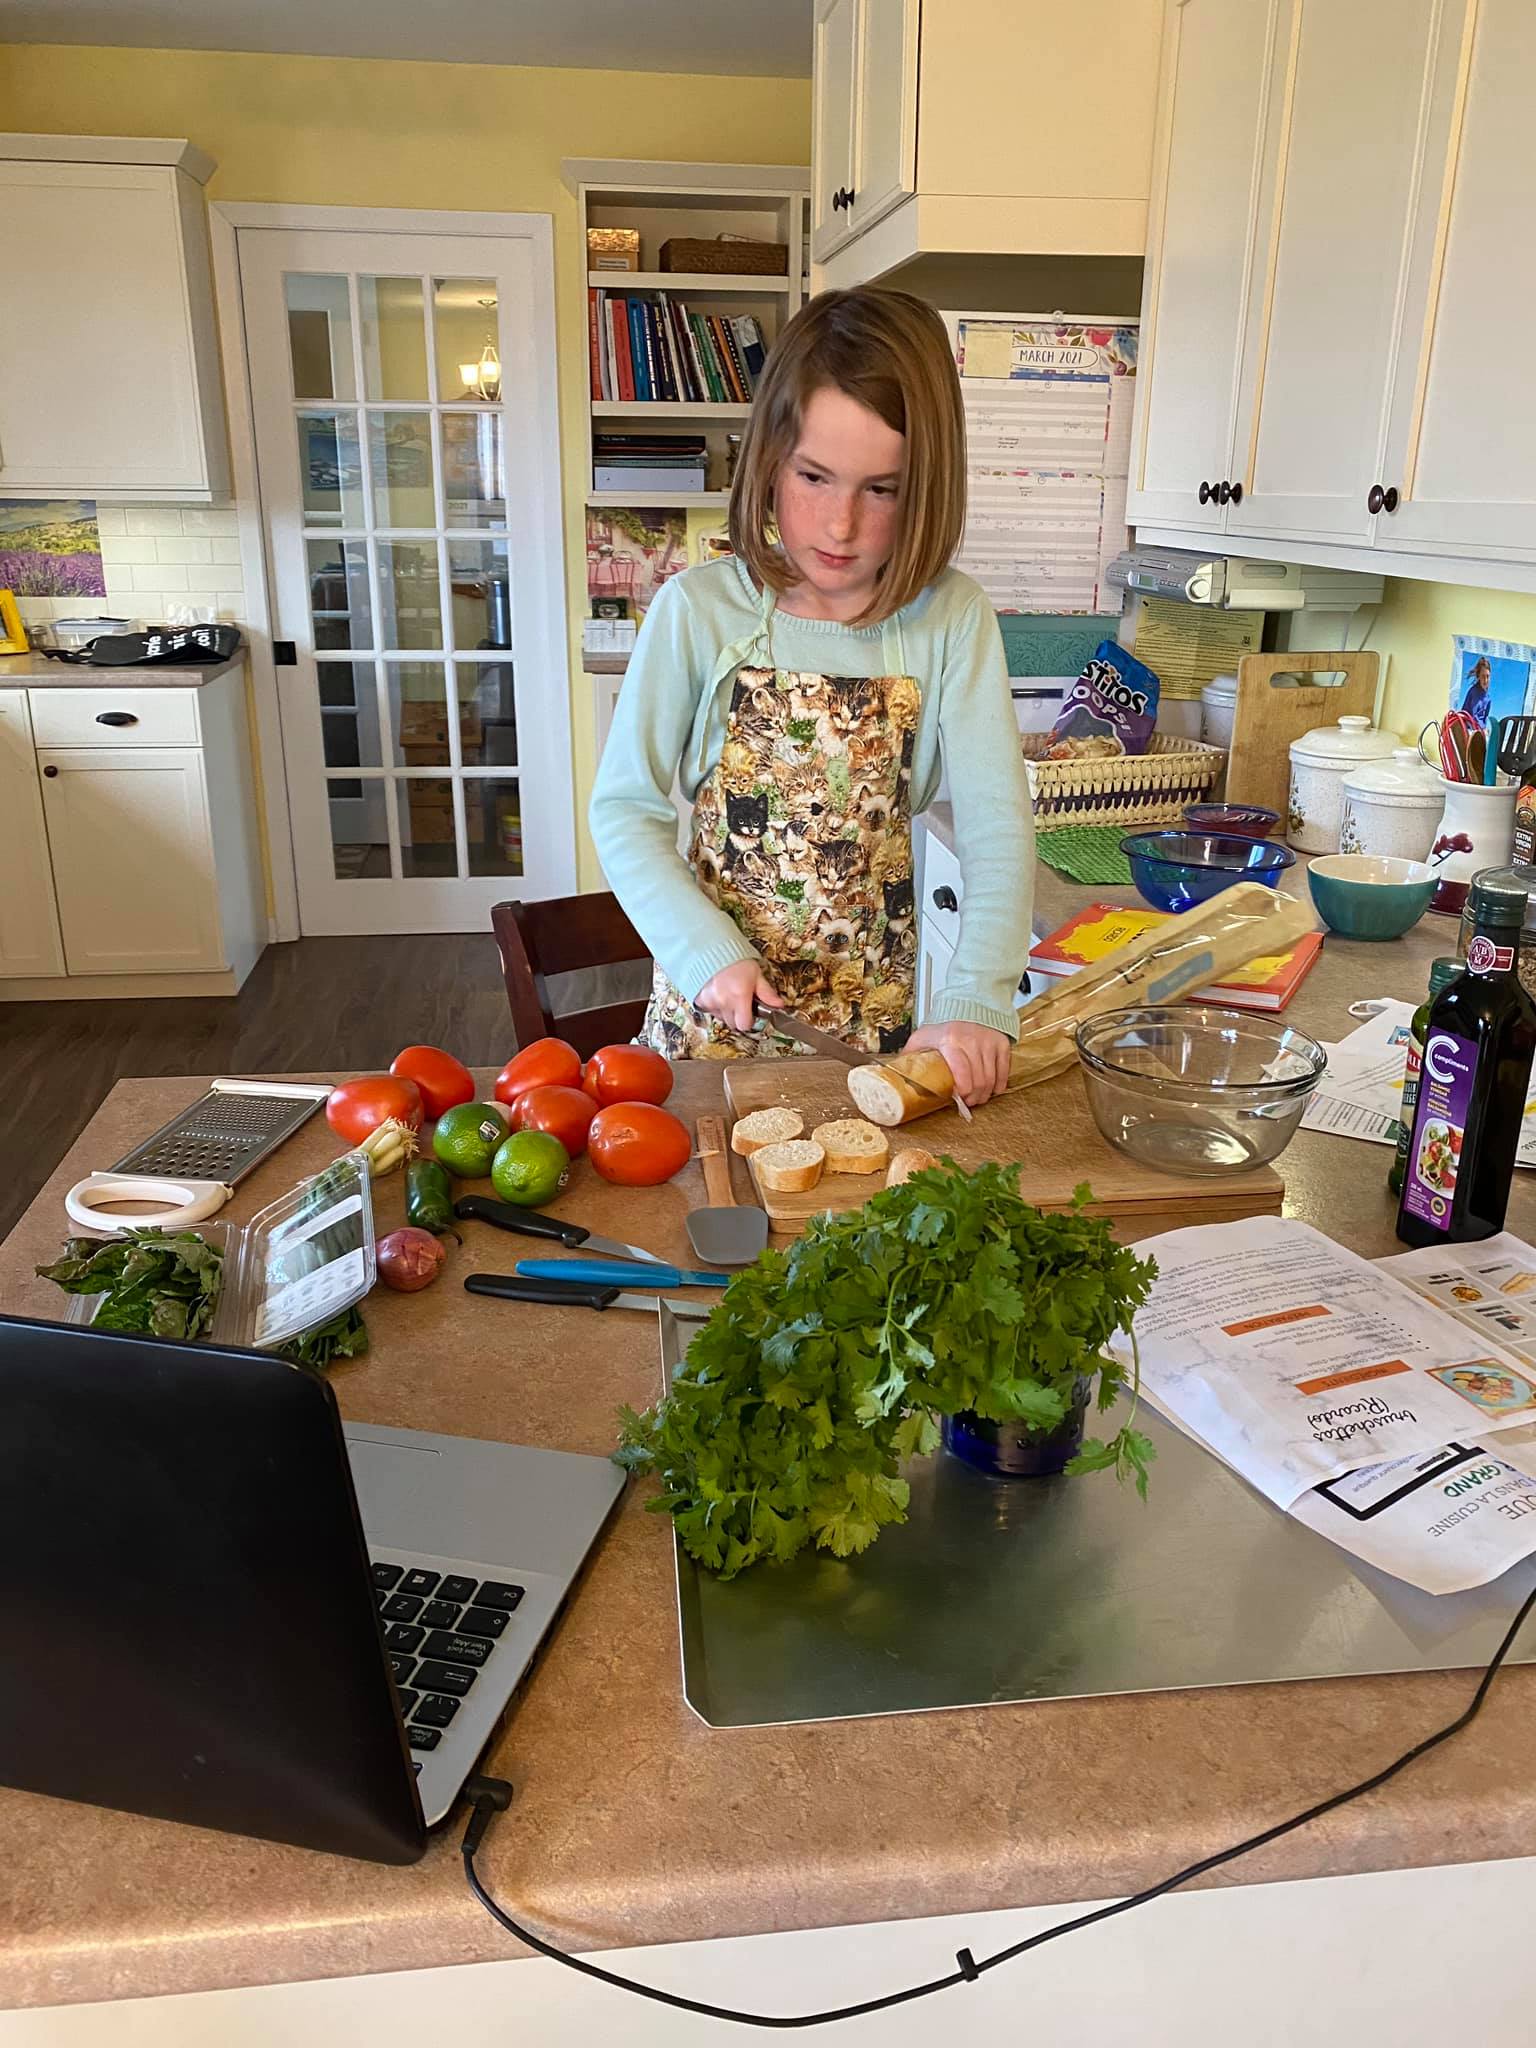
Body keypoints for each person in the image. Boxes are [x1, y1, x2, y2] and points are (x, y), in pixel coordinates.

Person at [588, 287, 1034, 1106]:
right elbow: (623, 811)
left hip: (874, 1039)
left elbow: (997, 829)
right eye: (814, 476)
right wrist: (703, 951)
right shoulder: (697, 612)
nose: (840, 525)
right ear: (769, 458)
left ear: (928, 486)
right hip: (710, 1028)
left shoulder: (951, 619)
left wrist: (977, 999)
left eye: (882, 489)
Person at [1461, 655, 1492, 727]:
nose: (1486, 680)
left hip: (1479, 729)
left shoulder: (1488, 698)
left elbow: (1485, 718)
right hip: (1468, 727)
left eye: (1487, 676)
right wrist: (1480, 730)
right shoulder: (1474, 692)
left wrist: (1484, 729)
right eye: (1483, 676)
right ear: (1478, 676)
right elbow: (1473, 717)